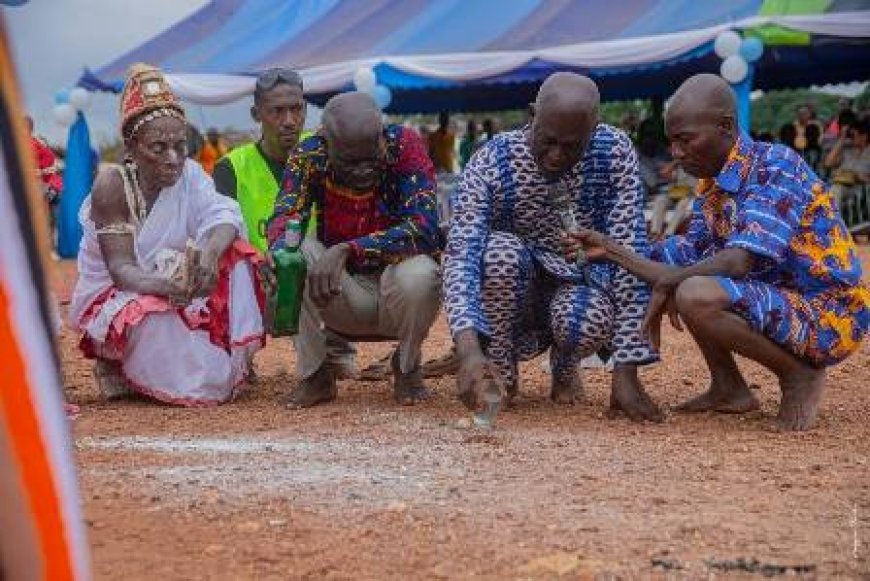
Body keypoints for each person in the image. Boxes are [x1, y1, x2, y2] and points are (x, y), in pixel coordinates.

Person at [564, 74, 870, 431]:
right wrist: (612, 249)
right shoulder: (712, 185)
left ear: (726, 126)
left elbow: (738, 261)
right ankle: (729, 388)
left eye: (685, 140)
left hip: (831, 315)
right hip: (787, 304)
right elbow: (684, 254)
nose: (676, 154)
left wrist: (669, 281)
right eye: (672, 142)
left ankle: (799, 376)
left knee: (694, 291)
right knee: (686, 278)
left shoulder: (775, 167)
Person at [444, 72, 663, 421]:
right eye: (548, 140)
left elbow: (628, 252)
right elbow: (461, 255)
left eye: (572, 146)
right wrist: (469, 349)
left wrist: (626, 373)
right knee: (499, 253)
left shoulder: (615, 152)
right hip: (513, 285)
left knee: (585, 320)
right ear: (533, 115)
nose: (557, 156)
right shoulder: (492, 160)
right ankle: (500, 369)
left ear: (594, 129)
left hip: (579, 282)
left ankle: (565, 366)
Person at [68, 63, 265, 406]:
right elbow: (121, 270)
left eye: (180, 146)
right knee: (162, 329)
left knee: (238, 255)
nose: (173, 158)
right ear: (130, 147)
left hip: (177, 287)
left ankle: (233, 358)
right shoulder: (112, 185)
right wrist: (172, 288)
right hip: (123, 293)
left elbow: (224, 214)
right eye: (158, 148)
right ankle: (112, 360)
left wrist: (208, 252)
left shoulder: (190, 174)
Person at [267, 91, 442, 408]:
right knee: (293, 253)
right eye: (349, 162)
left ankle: (407, 365)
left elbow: (427, 228)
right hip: (339, 293)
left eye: (370, 159)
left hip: (398, 291)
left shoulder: (404, 145)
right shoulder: (310, 154)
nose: (362, 171)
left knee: (423, 272)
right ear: (326, 142)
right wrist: (280, 253)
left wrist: (349, 249)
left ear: (381, 136)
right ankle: (316, 373)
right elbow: (285, 217)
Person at [213, 67, 356, 377]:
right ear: (256, 114)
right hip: (258, 282)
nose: (289, 120)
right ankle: (236, 355)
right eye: (277, 111)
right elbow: (219, 230)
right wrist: (254, 258)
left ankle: (335, 347)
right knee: (214, 264)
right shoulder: (231, 167)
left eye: (296, 109)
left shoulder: (323, 152)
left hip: (320, 278)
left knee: (326, 256)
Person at [824, 118, 869, 211]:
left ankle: (833, 221)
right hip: (840, 183)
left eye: (854, 135)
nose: (851, 138)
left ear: (864, 136)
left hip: (859, 187)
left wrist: (862, 177)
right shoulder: (847, 150)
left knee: (835, 191)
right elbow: (828, 163)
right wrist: (842, 138)